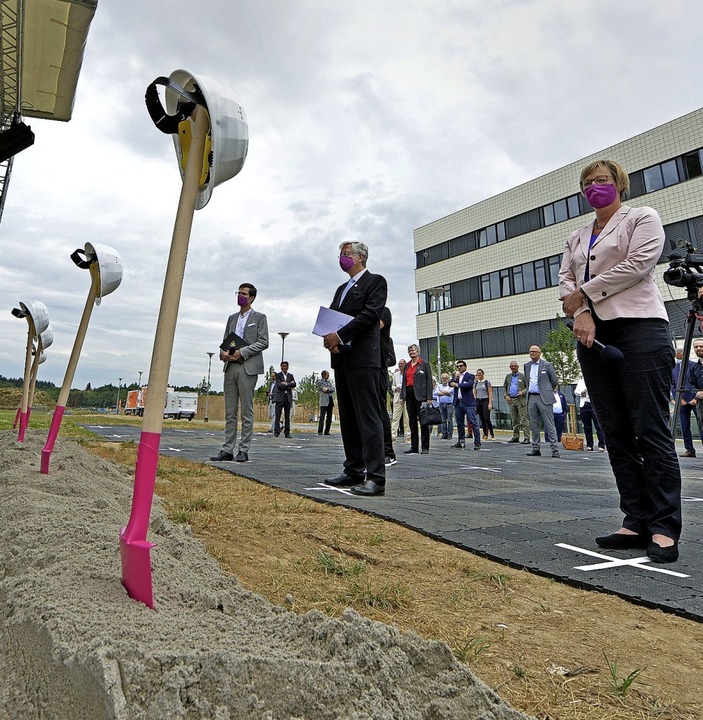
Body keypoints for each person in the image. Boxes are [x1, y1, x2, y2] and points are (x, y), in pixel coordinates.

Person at [559, 158, 681, 563]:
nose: (596, 186)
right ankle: (634, 519)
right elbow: (566, 283)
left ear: (620, 184)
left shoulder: (641, 217)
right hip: (591, 335)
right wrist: (580, 313)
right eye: (588, 182)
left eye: (603, 180)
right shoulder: (576, 236)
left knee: (650, 428)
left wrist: (586, 295)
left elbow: (637, 265)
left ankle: (664, 526)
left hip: (640, 329)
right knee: (615, 431)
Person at [322, 241, 388, 497]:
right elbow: (332, 317)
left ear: (361, 257)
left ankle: (376, 477)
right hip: (342, 359)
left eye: (346, 254)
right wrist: (329, 338)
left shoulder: (375, 282)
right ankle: (353, 469)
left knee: (368, 418)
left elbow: (370, 314)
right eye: (340, 254)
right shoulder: (342, 288)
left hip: (363, 359)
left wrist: (340, 335)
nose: (342, 258)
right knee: (348, 418)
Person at [210, 283, 269, 463]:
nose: (240, 296)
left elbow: (264, 342)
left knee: (246, 411)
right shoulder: (232, 318)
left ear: (251, 298)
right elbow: (226, 340)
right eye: (239, 293)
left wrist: (242, 353)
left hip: (247, 366)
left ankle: (243, 449)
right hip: (231, 367)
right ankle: (228, 449)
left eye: (244, 294)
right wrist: (223, 353)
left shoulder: (259, 318)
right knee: (230, 411)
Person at [524, 346, 559, 459]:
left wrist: (547, 390)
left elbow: (554, 381)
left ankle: (554, 449)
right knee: (534, 425)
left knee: (549, 424)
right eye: (530, 352)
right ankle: (536, 448)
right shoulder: (527, 366)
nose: (532, 353)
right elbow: (527, 381)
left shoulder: (547, 365)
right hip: (532, 397)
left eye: (534, 352)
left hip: (544, 397)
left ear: (539, 353)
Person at [401, 344, 434, 454]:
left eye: (413, 350)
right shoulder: (407, 365)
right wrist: (403, 396)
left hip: (421, 396)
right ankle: (414, 447)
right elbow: (404, 382)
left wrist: (429, 397)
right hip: (410, 395)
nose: (411, 352)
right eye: (409, 351)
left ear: (418, 351)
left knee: (423, 421)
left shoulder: (424, 364)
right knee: (412, 422)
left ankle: (425, 447)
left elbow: (429, 381)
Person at [671, 347, 698, 457]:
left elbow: (698, 383)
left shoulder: (695, 366)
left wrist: (696, 398)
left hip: (694, 400)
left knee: (701, 425)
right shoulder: (673, 368)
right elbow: (672, 385)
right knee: (684, 426)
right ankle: (690, 449)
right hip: (681, 401)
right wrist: (677, 399)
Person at [379, 307, 397, 466]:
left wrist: (378, 362)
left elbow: (392, 360)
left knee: (381, 412)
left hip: (379, 376)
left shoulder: (386, 340)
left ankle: (388, 452)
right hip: (363, 374)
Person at [450, 360, 481, 450]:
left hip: (468, 403)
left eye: (461, 366)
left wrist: (457, 384)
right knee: (460, 423)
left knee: (473, 423)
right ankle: (461, 441)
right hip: (458, 402)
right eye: (458, 366)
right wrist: (456, 381)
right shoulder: (456, 376)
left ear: (465, 366)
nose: (459, 368)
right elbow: (450, 383)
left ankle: (477, 443)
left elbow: (469, 384)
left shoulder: (470, 376)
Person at [575, 377, 605, 452]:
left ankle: (601, 445)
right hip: (584, 405)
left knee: (598, 426)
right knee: (587, 427)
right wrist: (582, 392)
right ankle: (589, 445)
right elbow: (576, 391)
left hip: (594, 405)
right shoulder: (581, 381)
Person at [503, 361, 530, 443]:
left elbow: (528, 387)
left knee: (524, 419)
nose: (513, 367)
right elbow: (504, 387)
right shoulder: (508, 377)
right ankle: (515, 436)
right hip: (511, 400)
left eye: (515, 366)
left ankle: (527, 437)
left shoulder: (523, 376)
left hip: (520, 400)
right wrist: (506, 395)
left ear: (518, 367)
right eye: (511, 366)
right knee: (514, 420)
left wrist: (523, 392)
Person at [273, 361, 296, 438]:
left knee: (287, 416)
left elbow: (294, 384)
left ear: (288, 367)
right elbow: (279, 385)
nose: (284, 367)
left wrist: (286, 383)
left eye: (285, 366)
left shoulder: (290, 375)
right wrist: (289, 384)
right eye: (283, 366)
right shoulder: (278, 375)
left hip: (288, 398)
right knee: (277, 416)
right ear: (281, 367)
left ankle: (287, 432)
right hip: (280, 398)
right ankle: (276, 432)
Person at [390, 360, 410, 443]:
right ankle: (393, 436)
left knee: (407, 418)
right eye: (399, 364)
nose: (400, 365)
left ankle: (408, 436)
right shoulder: (395, 375)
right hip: (397, 397)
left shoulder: (408, 373)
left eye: (402, 364)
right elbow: (392, 385)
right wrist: (395, 388)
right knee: (395, 418)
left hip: (407, 398)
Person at [473, 369, 495, 441]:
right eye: (478, 373)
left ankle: (492, 433)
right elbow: (475, 393)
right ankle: (485, 434)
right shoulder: (476, 383)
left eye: (480, 373)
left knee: (487, 418)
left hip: (485, 400)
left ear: (483, 374)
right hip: (479, 401)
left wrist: (490, 403)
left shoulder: (486, 382)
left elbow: (490, 393)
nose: (479, 375)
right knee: (482, 418)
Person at [435, 372, 454, 440]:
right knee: (443, 420)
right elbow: (436, 392)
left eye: (446, 378)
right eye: (443, 378)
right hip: (441, 404)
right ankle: (444, 434)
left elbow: (451, 392)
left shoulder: (450, 385)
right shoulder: (439, 385)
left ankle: (449, 435)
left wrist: (441, 392)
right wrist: (445, 392)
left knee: (449, 420)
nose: (444, 379)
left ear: (448, 378)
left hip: (449, 404)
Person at [317, 370, 335, 435]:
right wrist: (328, 389)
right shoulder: (320, 382)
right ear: (324, 375)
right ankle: (320, 431)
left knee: (329, 417)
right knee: (322, 417)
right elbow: (323, 390)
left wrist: (328, 389)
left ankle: (327, 431)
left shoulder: (329, 382)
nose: (328, 376)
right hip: (324, 402)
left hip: (330, 400)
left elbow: (333, 389)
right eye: (327, 374)